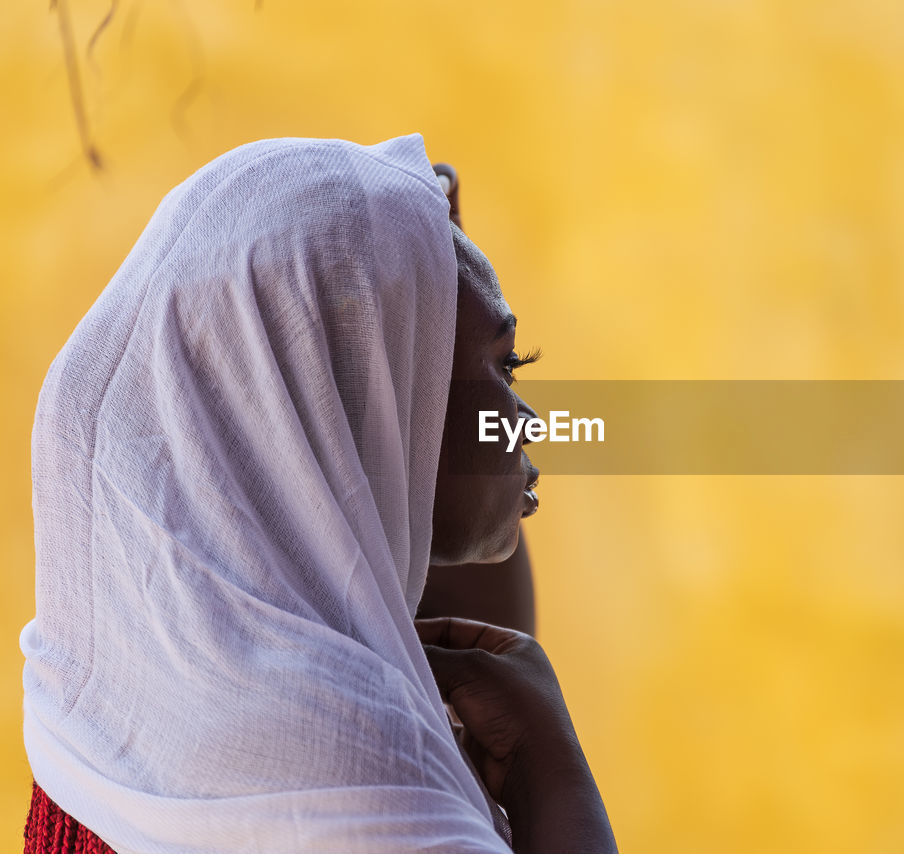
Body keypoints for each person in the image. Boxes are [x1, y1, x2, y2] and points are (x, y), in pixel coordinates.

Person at [20, 134, 616, 853]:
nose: (526, 420)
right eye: (508, 366)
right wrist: (555, 771)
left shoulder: (98, 703)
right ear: (379, 403)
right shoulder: (371, 794)